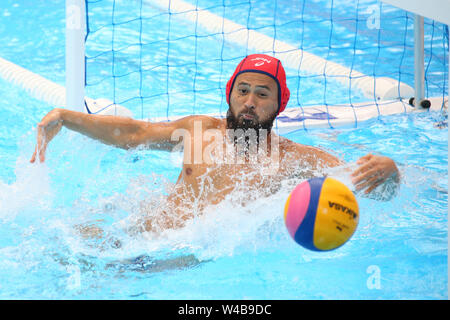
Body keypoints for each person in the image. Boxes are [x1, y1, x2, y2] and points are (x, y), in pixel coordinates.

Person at [30, 54, 399, 234]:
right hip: (142, 233)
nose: (250, 102)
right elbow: (134, 134)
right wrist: (67, 116)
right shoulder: (199, 132)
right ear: (230, 94)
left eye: (262, 94)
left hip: (190, 259)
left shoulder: (295, 159)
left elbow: (365, 187)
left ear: (279, 104)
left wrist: (390, 172)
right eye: (242, 91)